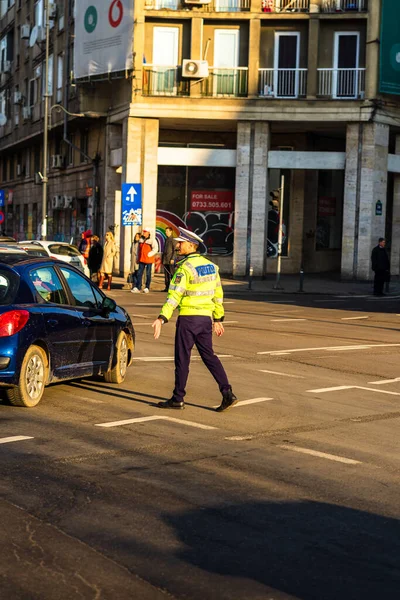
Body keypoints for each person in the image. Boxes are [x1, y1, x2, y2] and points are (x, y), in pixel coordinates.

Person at [152, 227, 237, 412]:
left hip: (189, 320)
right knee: (210, 357)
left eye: (181, 243)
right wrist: (218, 318)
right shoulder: (212, 267)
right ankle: (227, 392)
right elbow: (217, 295)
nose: (178, 245)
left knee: (182, 359)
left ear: (191, 245)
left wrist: (162, 317)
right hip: (205, 320)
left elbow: (174, 296)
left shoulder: (185, 268)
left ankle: (178, 398)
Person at [162, 227, 176, 291]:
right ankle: (167, 287)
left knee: (172, 274)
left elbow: (174, 250)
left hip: (170, 259)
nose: (166, 232)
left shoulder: (173, 240)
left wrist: (172, 258)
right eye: (166, 231)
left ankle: (173, 287)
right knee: (166, 275)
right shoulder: (166, 239)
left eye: (167, 231)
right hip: (165, 259)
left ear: (171, 231)